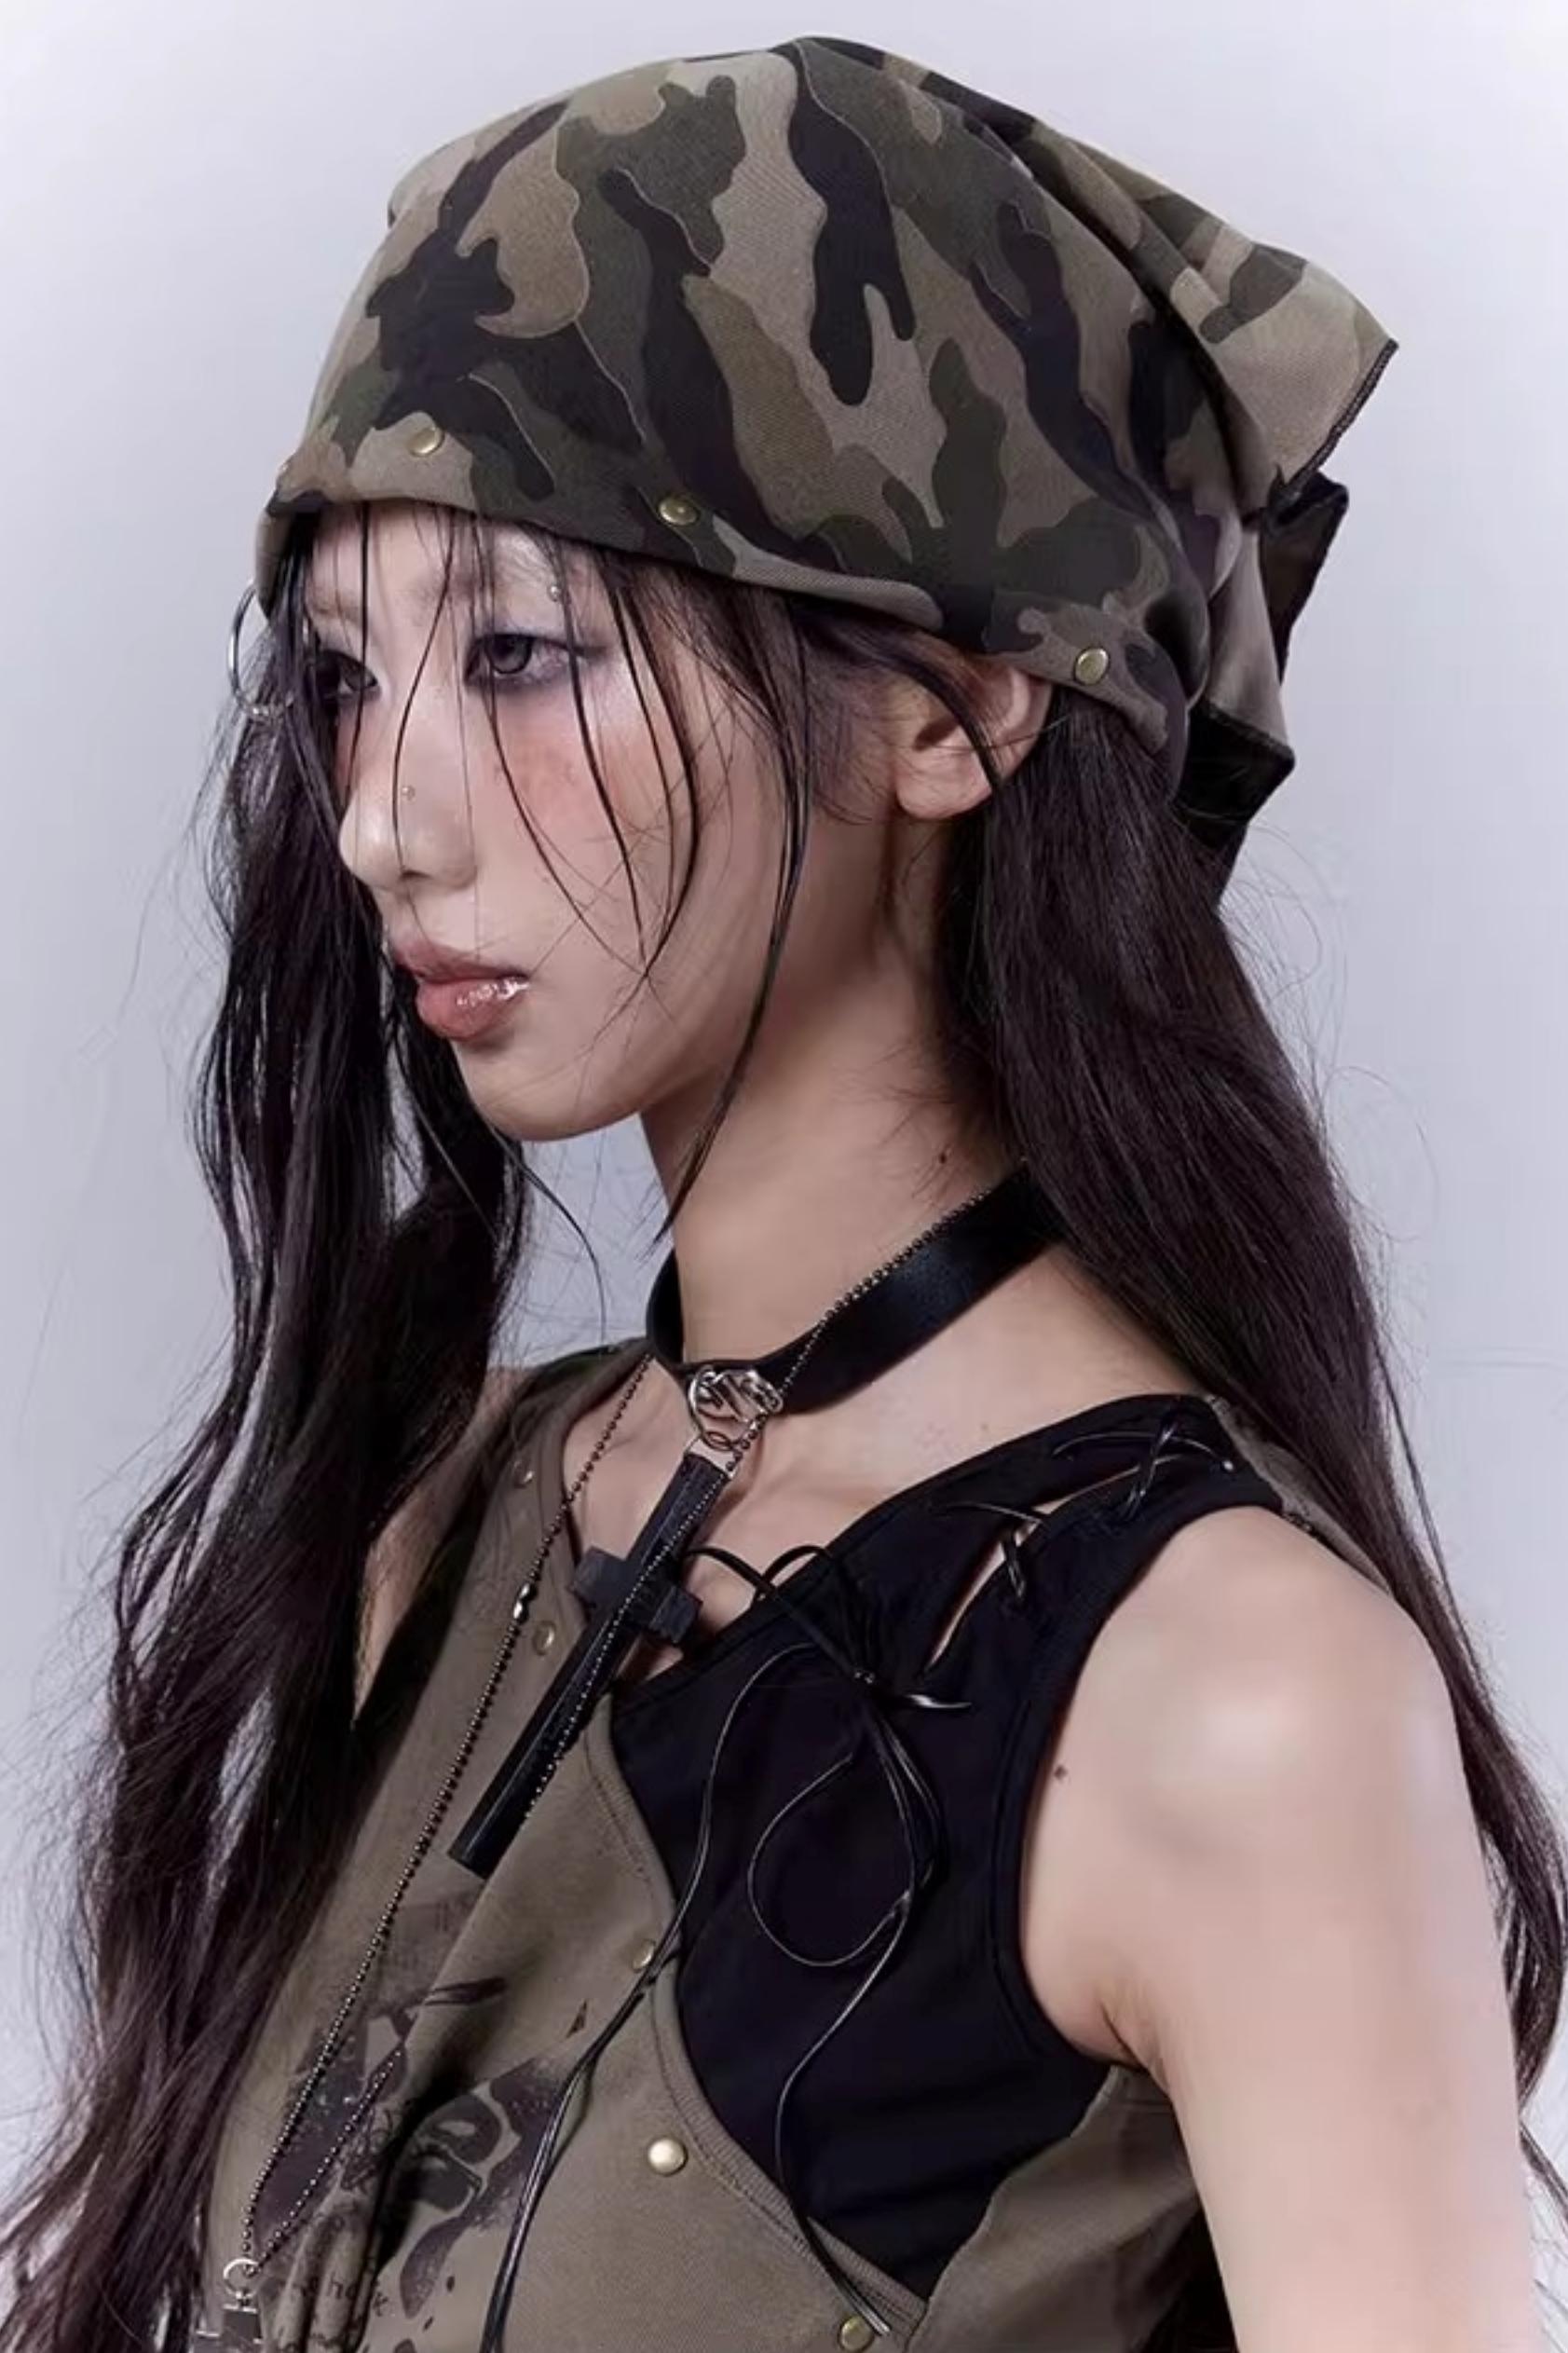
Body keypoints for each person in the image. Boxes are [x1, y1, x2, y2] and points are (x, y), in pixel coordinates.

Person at [2, 32, 1562, 2353]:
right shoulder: (465, 1512)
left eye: (519, 655)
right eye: (341, 678)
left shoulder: (1228, 1692)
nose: (383, 820)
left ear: (950, 706)